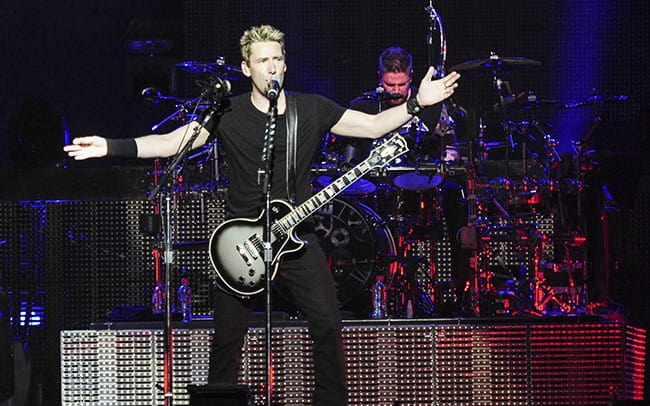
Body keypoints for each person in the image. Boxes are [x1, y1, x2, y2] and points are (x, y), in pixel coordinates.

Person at [64, 25, 459, 405]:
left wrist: (416, 103)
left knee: (327, 324)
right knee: (227, 340)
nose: (271, 66)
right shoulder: (228, 112)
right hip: (240, 244)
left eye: (277, 58)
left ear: (285, 65)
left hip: (297, 240)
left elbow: (373, 126)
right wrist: (111, 146)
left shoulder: (311, 108)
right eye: (262, 60)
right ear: (245, 68)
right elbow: (172, 142)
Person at [343, 46, 471, 316]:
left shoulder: (431, 105)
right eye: (390, 84)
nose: (396, 90)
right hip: (375, 190)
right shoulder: (363, 106)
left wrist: (447, 157)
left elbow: (452, 148)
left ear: (411, 78)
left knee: (455, 195)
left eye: (401, 84)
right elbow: (346, 156)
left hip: (422, 186)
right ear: (380, 77)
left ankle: (456, 287)